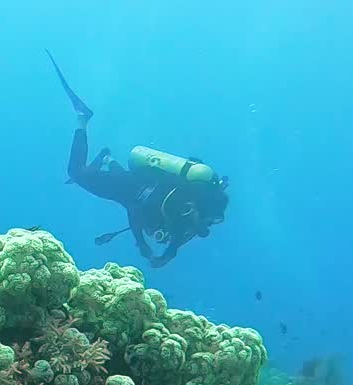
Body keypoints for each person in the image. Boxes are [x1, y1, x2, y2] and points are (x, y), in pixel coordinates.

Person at [46, 51, 230, 268]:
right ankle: (83, 119)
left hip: (134, 183)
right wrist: (142, 245)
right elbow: (135, 210)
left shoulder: (187, 218)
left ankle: (107, 157)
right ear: (200, 207)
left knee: (119, 178)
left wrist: (165, 257)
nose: (205, 227)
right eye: (208, 220)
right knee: (77, 173)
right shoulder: (179, 203)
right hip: (132, 189)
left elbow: (177, 241)